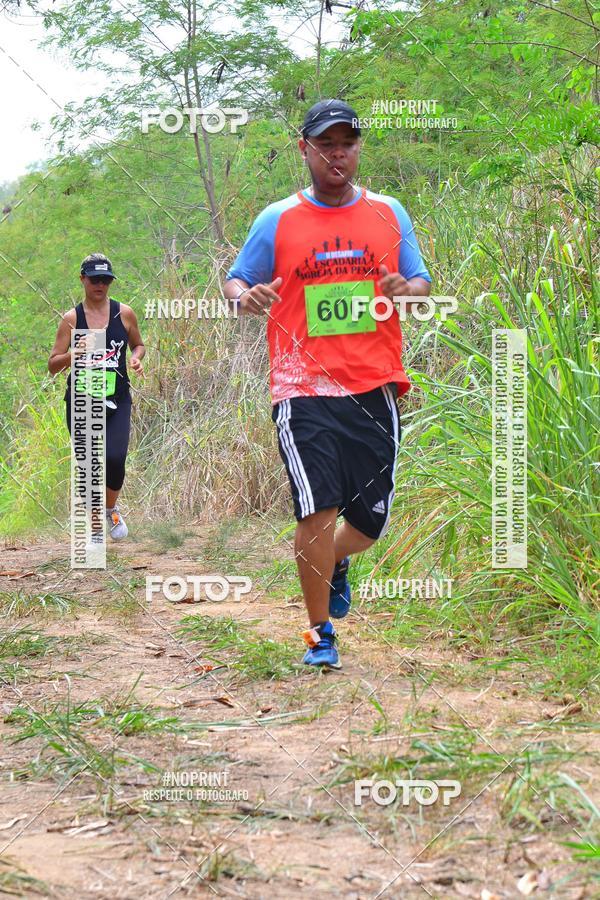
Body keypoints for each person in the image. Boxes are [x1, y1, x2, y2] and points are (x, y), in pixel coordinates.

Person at [224, 98, 432, 669]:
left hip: (374, 386)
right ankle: (320, 634)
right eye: (325, 144)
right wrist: (247, 297)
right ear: (305, 150)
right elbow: (236, 280)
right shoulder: (278, 219)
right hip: (302, 388)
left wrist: (404, 291)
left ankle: (339, 561)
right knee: (316, 510)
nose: (337, 153)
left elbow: (420, 282)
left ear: (358, 148)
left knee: (368, 522)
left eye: (347, 143)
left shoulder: (389, 213)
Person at [48, 254, 145, 540]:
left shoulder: (123, 313)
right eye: (94, 279)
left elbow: (138, 345)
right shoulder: (72, 318)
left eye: (106, 280)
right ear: (83, 280)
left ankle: (110, 509)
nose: (100, 285)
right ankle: (94, 528)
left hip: (117, 398)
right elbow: (53, 364)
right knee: (88, 463)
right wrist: (74, 354)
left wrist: (137, 359)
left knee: (115, 458)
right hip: (82, 400)